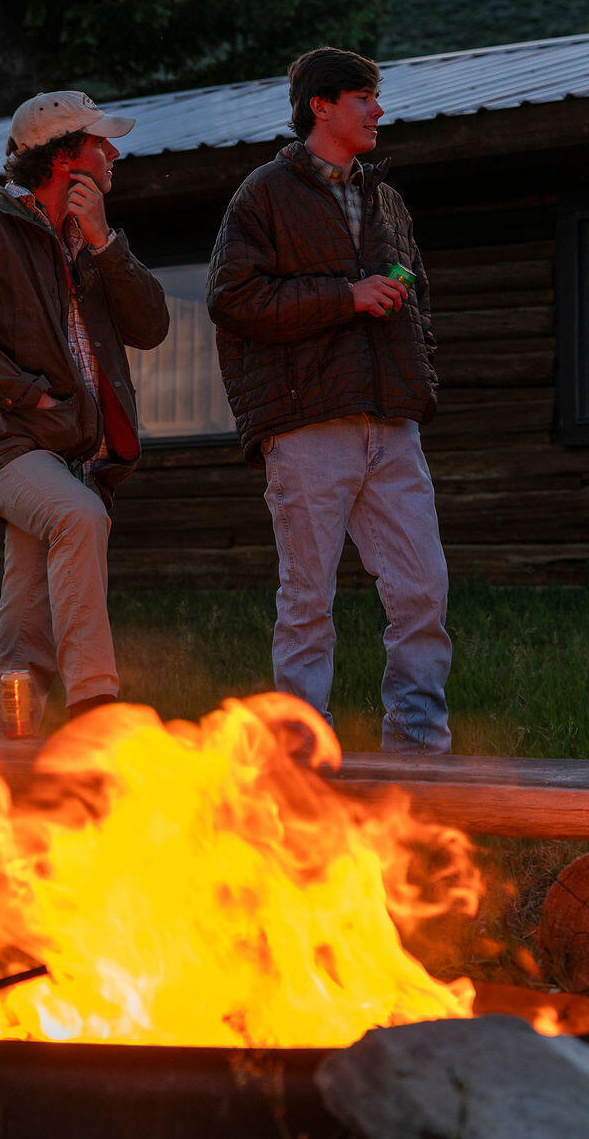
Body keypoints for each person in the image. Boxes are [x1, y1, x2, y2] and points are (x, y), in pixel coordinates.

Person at [206, 48, 451, 754]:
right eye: (365, 97)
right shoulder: (262, 194)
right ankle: (303, 758)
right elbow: (233, 298)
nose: (379, 110)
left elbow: (420, 300)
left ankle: (418, 747)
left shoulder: (386, 198)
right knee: (308, 603)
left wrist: (417, 376)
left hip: (392, 421)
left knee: (422, 592)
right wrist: (344, 298)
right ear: (322, 104)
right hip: (305, 423)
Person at [0, 91, 170, 734]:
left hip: (75, 453)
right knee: (79, 519)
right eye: (99, 143)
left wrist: (105, 242)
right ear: (63, 158)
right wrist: (26, 392)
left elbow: (152, 326)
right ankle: (93, 709)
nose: (112, 153)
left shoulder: (91, 240)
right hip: (7, 440)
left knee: (23, 633)